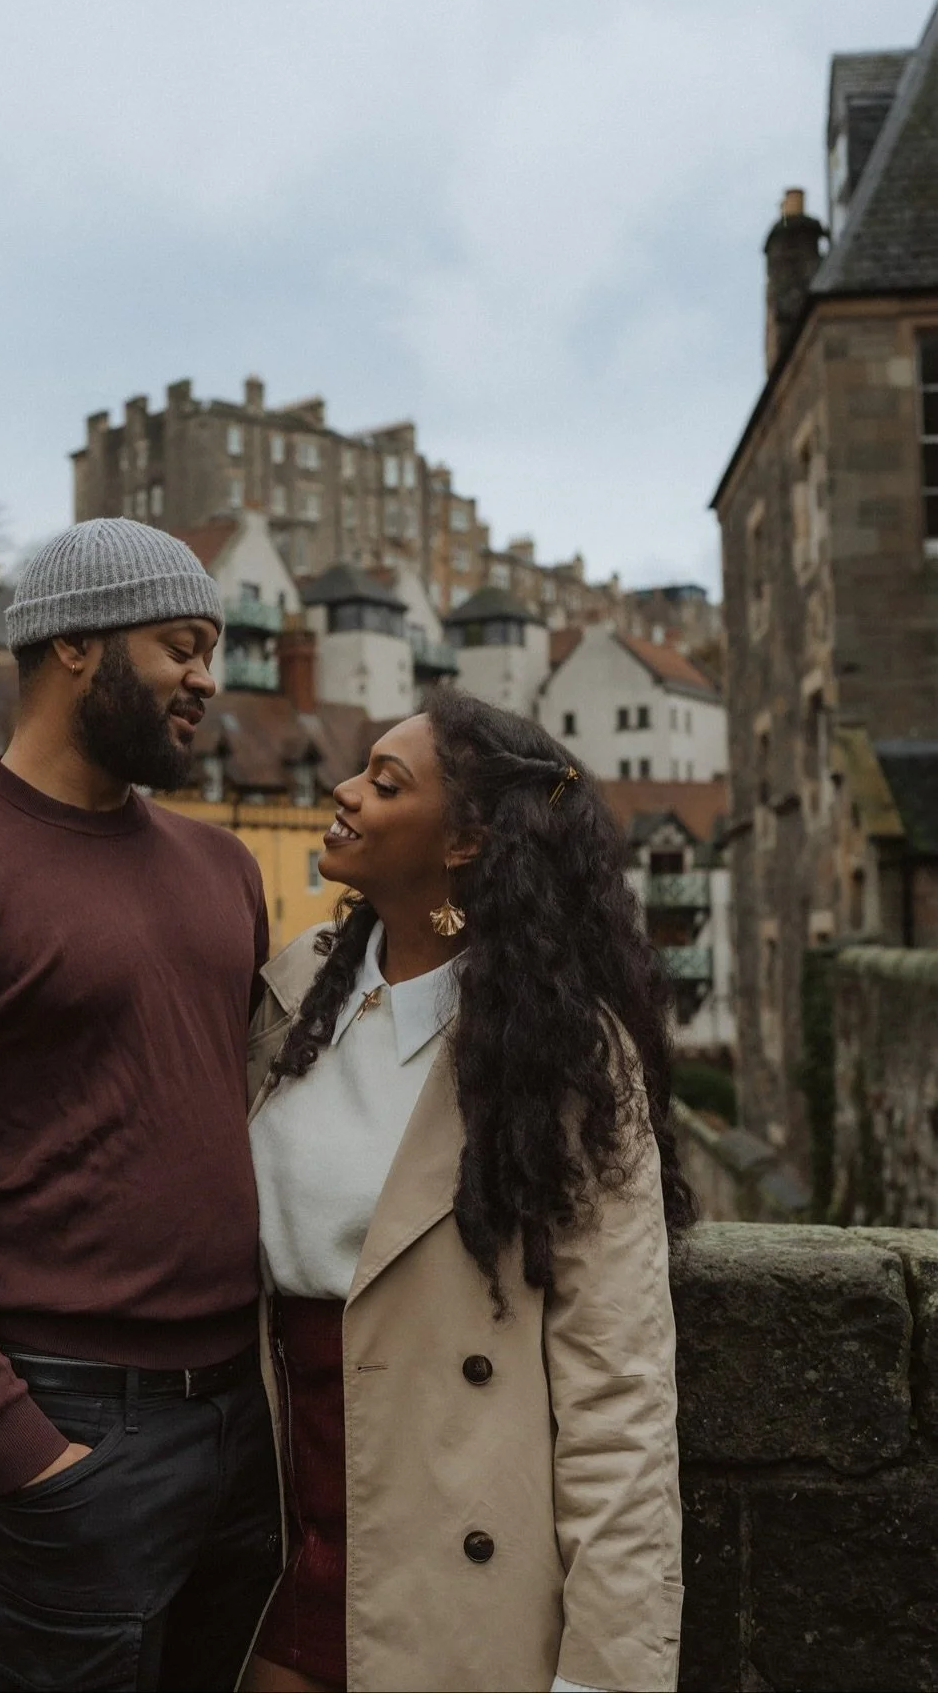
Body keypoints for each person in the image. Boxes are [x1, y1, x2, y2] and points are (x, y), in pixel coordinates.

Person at [0, 519, 281, 1693]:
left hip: (249, 1422)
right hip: (72, 1429)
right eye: (180, 644)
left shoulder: (223, 867)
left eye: (212, 648)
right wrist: (26, 1449)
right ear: (76, 642)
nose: (206, 679)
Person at [242, 691, 693, 1693]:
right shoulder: (287, 998)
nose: (344, 789)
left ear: (466, 840)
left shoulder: (556, 1054)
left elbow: (617, 1389)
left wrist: (605, 1676)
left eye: (385, 780)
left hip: (452, 1557)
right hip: (281, 1533)